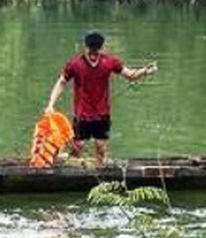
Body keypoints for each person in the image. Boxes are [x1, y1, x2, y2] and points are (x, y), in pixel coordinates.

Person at [44, 31, 157, 168]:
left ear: (101, 49)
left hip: (102, 115)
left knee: (101, 147)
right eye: (90, 52)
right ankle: (65, 162)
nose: (93, 55)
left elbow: (130, 75)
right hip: (82, 116)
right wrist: (50, 104)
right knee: (77, 147)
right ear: (85, 48)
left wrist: (145, 71)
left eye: (96, 52)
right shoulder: (75, 64)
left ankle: (99, 170)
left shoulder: (109, 62)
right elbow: (61, 82)